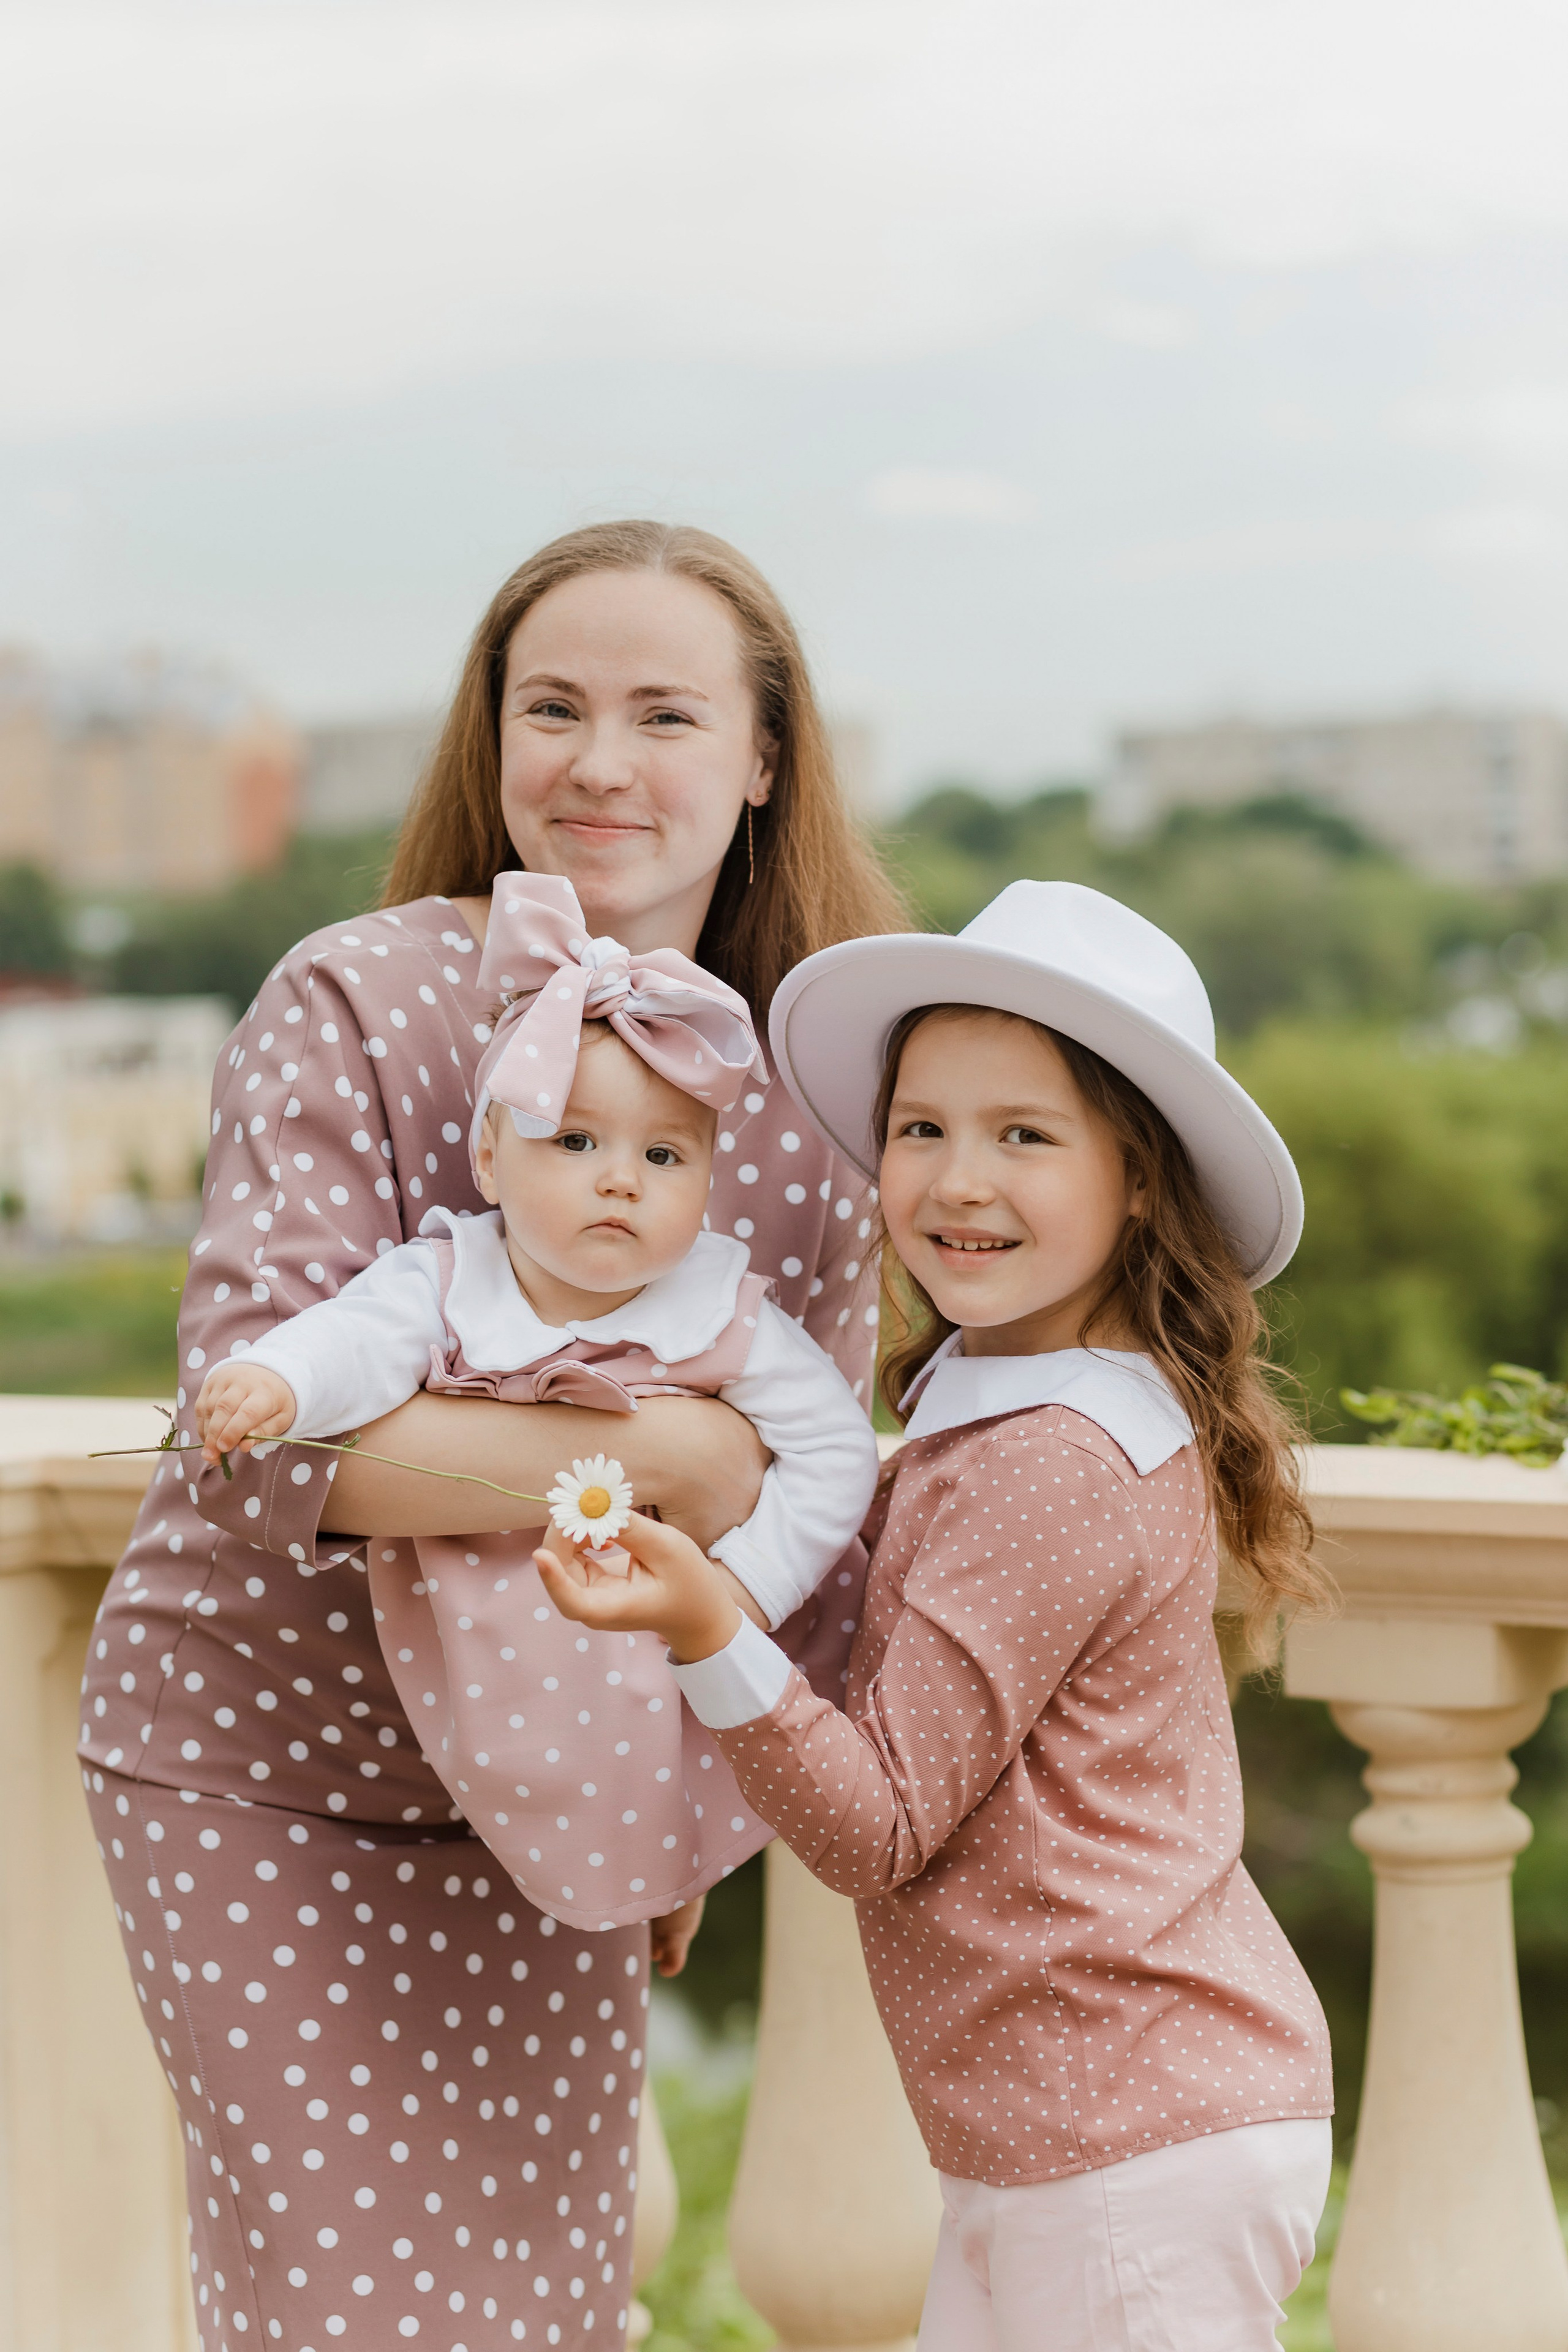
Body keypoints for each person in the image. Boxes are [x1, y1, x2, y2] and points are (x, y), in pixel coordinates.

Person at [79, 521, 906, 2351]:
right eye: (553, 706)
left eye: (664, 713)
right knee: (337, 2315)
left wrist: (690, 1801)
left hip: (556, 1799)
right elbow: (261, 1446)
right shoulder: (354, 1003)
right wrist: (662, 1472)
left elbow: (804, 1513)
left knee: (541, 2315)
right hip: (258, 1773)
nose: (600, 761)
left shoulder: (810, 1101)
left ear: (762, 762)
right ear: (493, 736)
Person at [540, 878, 1336, 2352]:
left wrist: (706, 1625)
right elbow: (850, 1682)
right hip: (1082, 2124)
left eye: (1022, 1135)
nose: (956, 1181)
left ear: (1140, 1175)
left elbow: (877, 1822)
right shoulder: (1012, 1413)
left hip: (1119, 2137)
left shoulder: (1044, 1463)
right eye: (923, 1128)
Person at [190, 869, 880, 1928]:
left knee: (649, 1781)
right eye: (575, 1142)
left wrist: (744, 1590)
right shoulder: (453, 1279)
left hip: (649, 1676)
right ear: (489, 1158)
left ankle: (664, 1861)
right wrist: (278, 1382)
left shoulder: (716, 1313)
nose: (620, 1179)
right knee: (521, 1760)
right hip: (480, 1678)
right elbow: (356, 1346)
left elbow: (837, 1450)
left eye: (664, 1155)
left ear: (705, 1185)